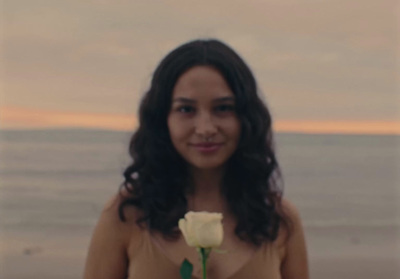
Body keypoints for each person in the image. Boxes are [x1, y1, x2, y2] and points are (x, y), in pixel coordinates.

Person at [83, 39, 309, 279]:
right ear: (163, 119)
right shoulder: (127, 214)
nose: (205, 128)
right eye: (186, 109)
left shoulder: (279, 220)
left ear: (246, 117)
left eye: (222, 108)